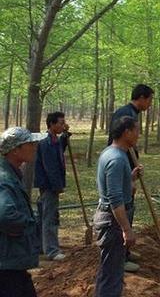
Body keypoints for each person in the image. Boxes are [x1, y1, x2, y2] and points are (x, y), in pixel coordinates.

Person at [94, 116, 143, 297]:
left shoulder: (114, 153)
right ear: (126, 132)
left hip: (112, 221)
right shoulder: (116, 159)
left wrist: (130, 177)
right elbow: (114, 199)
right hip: (112, 223)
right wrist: (126, 229)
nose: (139, 134)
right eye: (136, 130)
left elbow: (115, 187)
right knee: (111, 276)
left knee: (111, 272)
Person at [107, 83, 153, 273]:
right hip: (122, 169)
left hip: (128, 168)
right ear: (141, 97)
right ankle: (120, 257)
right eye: (149, 99)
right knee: (123, 211)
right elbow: (118, 143)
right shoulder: (125, 113)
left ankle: (125, 251)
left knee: (129, 208)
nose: (150, 104)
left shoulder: (133, 113)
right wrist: (129, 178)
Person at [0, 127, 47, 297]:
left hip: (11, 263)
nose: (35, 146)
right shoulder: (4, 179)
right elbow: (5, 216)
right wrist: (30, 224)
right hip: (7, 265)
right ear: (15, 150)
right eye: (30, 143)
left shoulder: (11, 175)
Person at [34, 112, 69, 262]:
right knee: (50, 217)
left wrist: (66, 136)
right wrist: (57, 186)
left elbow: (61, 148)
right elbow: (51, 168)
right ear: (52, 124)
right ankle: (52, 251)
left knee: (42, 216)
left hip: (49, 185)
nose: (63, 125)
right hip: (48, 186)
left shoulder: (55, 140)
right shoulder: (46, 142)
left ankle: (40, 246)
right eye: (61, 123)